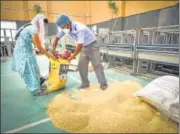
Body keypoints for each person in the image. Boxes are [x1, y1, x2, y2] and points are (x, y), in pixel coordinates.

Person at [52, 14, 108, 90]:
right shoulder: (66, 28)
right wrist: (53, 49)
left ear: (68, 23)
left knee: (97, 65)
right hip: (83, 47)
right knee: (81, 66)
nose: (63, 29)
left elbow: (79, 45)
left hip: (92, 45)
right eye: (62, 27)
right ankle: (85, 84)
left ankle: (103, 84)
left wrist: (72, 57)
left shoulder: (80, 28)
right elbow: (57, 38)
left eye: (64, 26)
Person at [12, 14, 55, 96]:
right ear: (40, 22)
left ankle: (38, 82)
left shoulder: (30, 27)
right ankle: (36, 90)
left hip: (24, 50)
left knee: (34, 67)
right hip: (24, 52)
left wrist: (48, 51)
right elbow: (39, 46)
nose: (44, 27)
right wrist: (49, 55)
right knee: (31, 69)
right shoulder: (33, 29)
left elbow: (36, 44)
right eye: (43, 24)